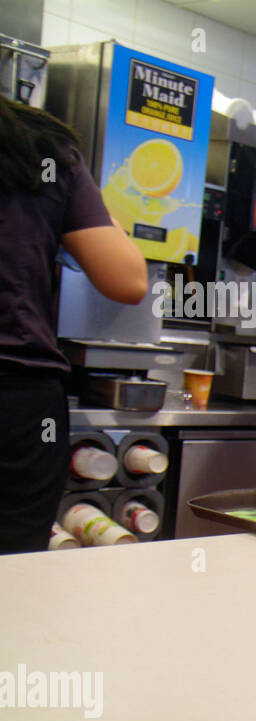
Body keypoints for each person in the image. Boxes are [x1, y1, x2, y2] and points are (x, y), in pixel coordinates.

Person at [0, 97, 148, 555]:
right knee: (15, 580)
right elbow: (127, 279)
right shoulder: (35, 145)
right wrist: (99, 224)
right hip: (18, 402)